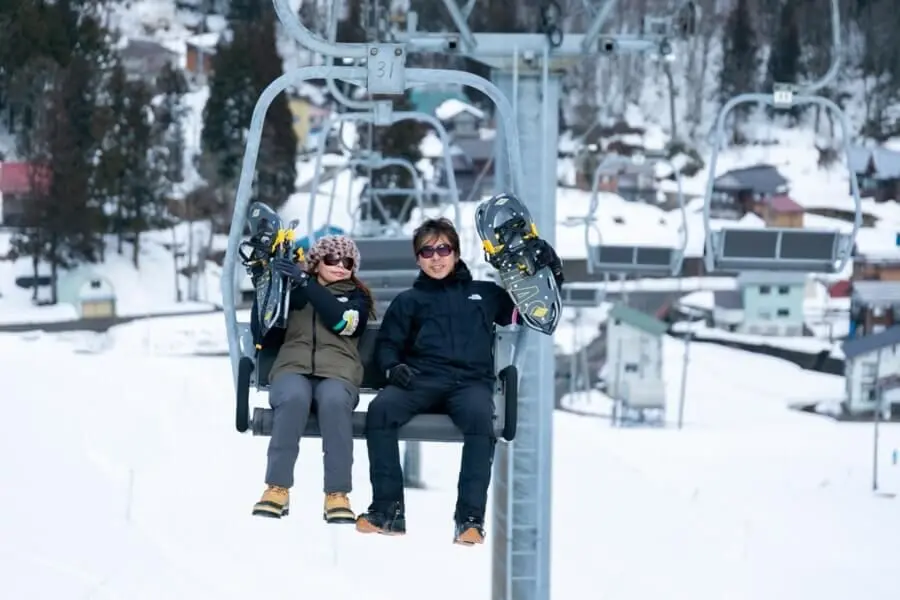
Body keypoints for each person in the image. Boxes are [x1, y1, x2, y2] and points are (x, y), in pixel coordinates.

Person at [355, 216, 563, 545]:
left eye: (443, 249)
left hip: (469, 383)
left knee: (481, 419)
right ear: (418, 258)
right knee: (381, 411)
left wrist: (551, 273)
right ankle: (388, 509)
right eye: (427, 252)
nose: (436, 258)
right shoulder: (409, 301)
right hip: (422, 379)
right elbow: (389, 344)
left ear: (456, 252)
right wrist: (393, 367)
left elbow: (529, 310)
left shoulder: (485, 294)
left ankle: (469, 518)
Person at [250, 234, 375, 524]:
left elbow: (343, 323)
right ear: (317, 262)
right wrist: (266, 283)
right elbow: (264, 332)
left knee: (333, 402)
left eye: (348, 262)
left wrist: (306, 284)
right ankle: (277, 488)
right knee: (294, 398)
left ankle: (337, 493)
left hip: (338, 373)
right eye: (333, 259)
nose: (341, 266)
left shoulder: (357, 300)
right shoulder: (294, 294)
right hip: (292, 368)